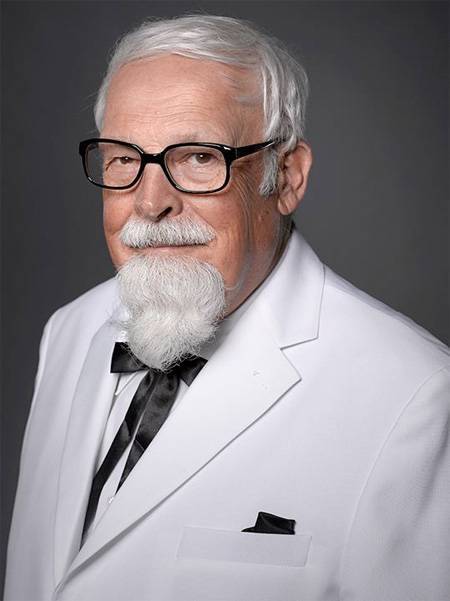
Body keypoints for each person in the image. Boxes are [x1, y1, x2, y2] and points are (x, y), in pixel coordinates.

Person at [4, 14, 449, 601]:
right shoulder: (68, 331)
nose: (151, 202)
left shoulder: (416, 397)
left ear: (286, 177)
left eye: (198, 157)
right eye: (123, 159)